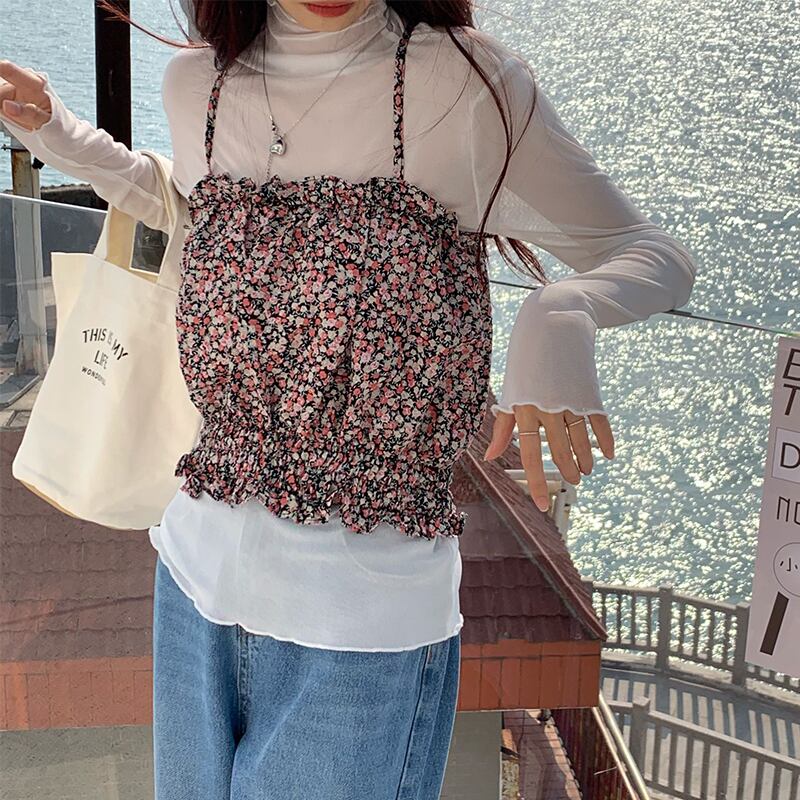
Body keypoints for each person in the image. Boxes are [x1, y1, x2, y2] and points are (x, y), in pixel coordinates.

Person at [0, 1, 697, 797]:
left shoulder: (465, 84)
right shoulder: (200, 85)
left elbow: (651, 252)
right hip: (194, 583)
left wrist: (560, 313)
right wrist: (58, 133)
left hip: (361, 624)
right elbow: (199, 212)